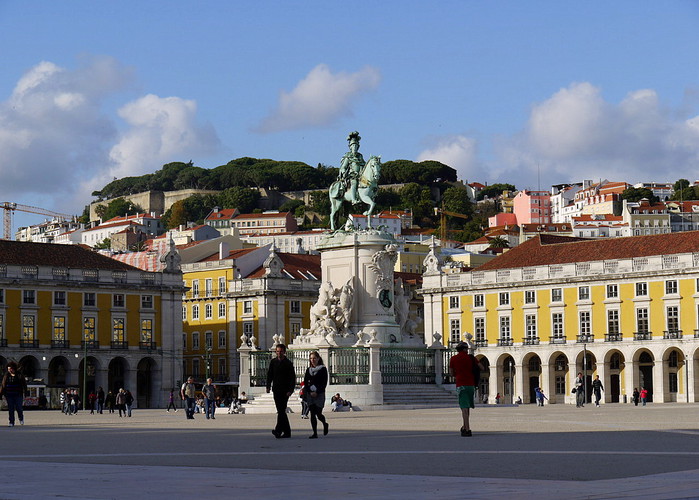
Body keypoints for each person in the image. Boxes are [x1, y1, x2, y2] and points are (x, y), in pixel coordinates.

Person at [449, 341, 485, 437]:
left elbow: (451, 373)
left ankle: (467, 429)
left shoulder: (453, 358)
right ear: (465, 349)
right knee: (467, 407)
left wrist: (458, 373)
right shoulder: (471, 358)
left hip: (461, 384)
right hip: (471, 385)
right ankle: (464, 427)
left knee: (464, 408)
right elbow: (482, 367)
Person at [266, 343, 296, 439]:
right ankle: (287, 432)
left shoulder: (288, 363)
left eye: (281, 351)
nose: (279, 353)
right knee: (281, 411)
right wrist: (268, 386)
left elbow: (292, 378)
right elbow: (269, 374)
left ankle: (278, 430)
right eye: (277, 351)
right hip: (276, 389)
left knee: (281, 410)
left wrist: (290, 390)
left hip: (285, 390)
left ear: (284, 352)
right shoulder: (273, 362)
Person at [303, 351, 329, 439]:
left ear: (318, 359)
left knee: (318, 413)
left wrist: (317, 392)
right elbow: (306, 382)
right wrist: (310, 392)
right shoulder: (308, 370)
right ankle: (315, 433)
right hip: (310, 394)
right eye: (311, 358)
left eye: (314, 358)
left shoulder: (323, 369)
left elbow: (324, 383)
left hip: (319, 394)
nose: (312, 360)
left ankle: (325, 423)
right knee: (312, 413)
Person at [338, 131, 366, 204]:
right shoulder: (348, 156)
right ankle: (353, 199)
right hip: (351, 175)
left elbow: (364, 165)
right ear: (350, 147)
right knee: (354, 182)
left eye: (356, 146)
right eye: (353, 146)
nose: (355, 148)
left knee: (368, 183)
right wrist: (344, 172)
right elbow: (343, 167)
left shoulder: (360, 156)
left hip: (360, 176)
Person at [1, 361, 28, 427]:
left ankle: (21, 418)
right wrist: (1, 394)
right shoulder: (6, 375)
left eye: (10, 369)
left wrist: (25, 393)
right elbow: (3, 385)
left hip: (18, 394)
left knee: (19, 408)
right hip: (9, 395)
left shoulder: (19, 375)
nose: (9, 370)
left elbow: (24, 384)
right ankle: (11, 422)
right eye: (8, 369)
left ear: (14, 369)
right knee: (11, 409)